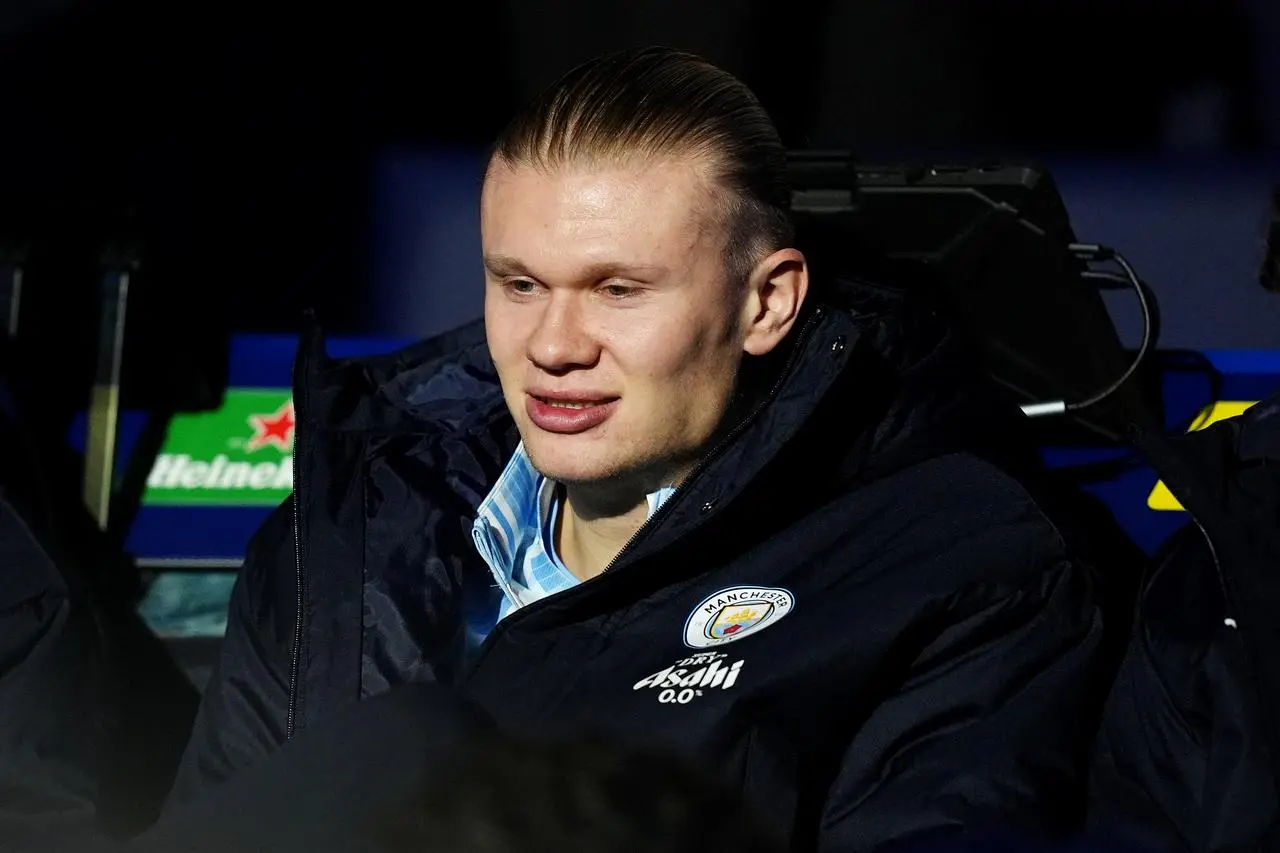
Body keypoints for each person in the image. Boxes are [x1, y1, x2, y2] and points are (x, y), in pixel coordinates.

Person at [170, 46, 1118, 850]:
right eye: (520, 284)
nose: (554, 345)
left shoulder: (955, 566)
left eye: (618, 290)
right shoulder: (344, 537)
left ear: (767, 303)